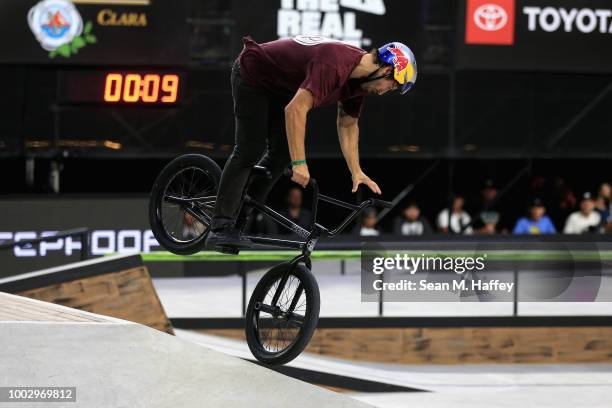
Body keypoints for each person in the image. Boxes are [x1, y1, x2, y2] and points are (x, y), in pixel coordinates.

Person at [205, 35, 417, 249]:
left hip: (282, 88)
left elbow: (347, 124)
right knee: (250, 150)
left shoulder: (359, 83)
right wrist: (300, 164)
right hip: (253, 74)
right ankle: (220, 226)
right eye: (390, 86)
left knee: (282, 154)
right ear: (387, 70)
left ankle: (240, 216)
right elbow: (295, 109)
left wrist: (356, 170)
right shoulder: (335, 65)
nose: (383, 92)